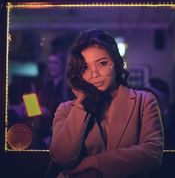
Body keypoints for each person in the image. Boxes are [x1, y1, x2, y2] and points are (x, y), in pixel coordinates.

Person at [49, 29, 164, 178]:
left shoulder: (145, 101)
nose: (94, 73)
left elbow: (152, 155)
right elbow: (62, 159)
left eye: (102, 63)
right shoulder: (66, 109)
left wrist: (94, 163)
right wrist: (82, 104)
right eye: (85, 67)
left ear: (116, 63)